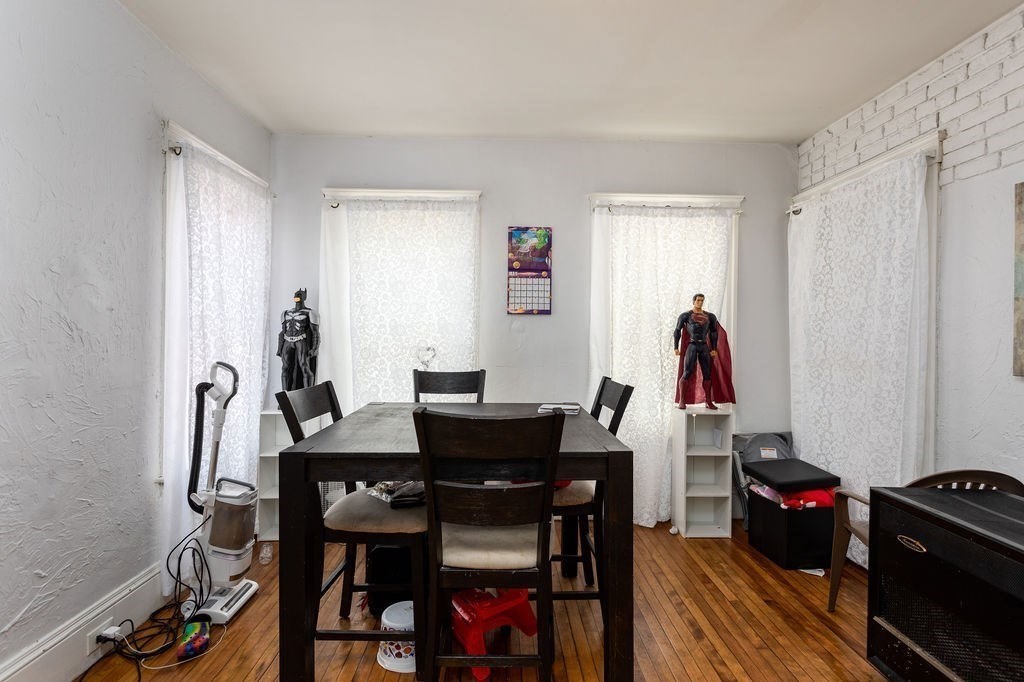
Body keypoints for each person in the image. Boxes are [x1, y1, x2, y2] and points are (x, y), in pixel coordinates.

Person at [673, 292, 735, 410]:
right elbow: (677, 331)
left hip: (704, 346)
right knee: (687, 372)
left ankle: (708, 401)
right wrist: (676, 347)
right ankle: (682, 401)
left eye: (702, 300)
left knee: (707, 373)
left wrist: (714, 349)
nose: (700, 302)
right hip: (692, 345)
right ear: (693, 301)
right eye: (698, 300)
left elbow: (714, 332)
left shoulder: (710, 316)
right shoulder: (685, 315)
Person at [277, 288, 320, 391]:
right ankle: (285, 396)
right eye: (296, 294)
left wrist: (314, 348)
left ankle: (308, 396)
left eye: (300, 294)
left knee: (305, 366)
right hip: (287, 341)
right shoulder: (286, 313)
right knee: (285, 368)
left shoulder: (310, 313)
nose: (298, 296)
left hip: (301, 340)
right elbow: (282, 332)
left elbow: (315, 333)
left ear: (304, 297)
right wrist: (279, 348)